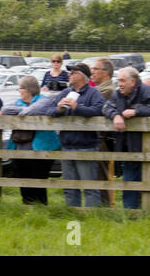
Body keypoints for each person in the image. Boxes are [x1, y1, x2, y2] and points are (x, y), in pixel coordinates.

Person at [46, 63, 105, 207]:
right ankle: (72, 214)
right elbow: (48, 110)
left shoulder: (94, 93)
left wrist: (77, 107)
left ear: (81, 76)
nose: (69, 75)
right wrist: (58, 110)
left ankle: (93, 217)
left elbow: (98, 110)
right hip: (67, 145)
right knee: (69, 187)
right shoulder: (65, 93)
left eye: (72, 72)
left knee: (89, 187)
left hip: (86, 147)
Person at [2, 76, 60, 205]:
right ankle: (27, 207)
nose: (18, 91)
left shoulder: (44, 101)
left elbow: (31, 111)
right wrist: (23, 110)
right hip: (20, 148)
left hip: (42, 148)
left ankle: (41, 207)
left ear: (27, 90)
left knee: (39, 180)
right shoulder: (18, 102)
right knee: (24, 180)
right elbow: (5, 110)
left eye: (20, 88)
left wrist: (23, 111)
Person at [103, 67, 150, 209]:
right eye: (118, 80)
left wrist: (136, 111)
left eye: (122, 80)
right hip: (128, 148)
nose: (120, 83)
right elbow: (106, 107)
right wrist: (115, 115)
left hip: (146, 149)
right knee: (129, 183)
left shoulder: (146, 92)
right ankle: (130, 214)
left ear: (133, 81)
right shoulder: (118, 94)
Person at [90, 58, 116, 206]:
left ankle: (105, 207)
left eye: (95, 69)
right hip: (97, 138)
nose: (92, 72)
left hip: (103, 139)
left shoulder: (107, 91)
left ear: (105, 73)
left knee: (102, 175)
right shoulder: (99, 89)